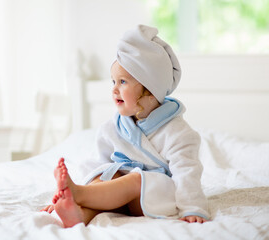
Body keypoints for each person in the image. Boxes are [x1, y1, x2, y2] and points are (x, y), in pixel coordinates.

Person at [41, 25, 210, 227]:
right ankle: (77, 212)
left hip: (155, 196)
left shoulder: (177, 132)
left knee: (134, 179)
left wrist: (192, 207)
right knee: (109, 175)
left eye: (123, 81)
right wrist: (90, 182)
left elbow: (186, 172)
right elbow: (99, 164)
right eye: (113, 81)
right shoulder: (112, 128)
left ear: (150, 90)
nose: (114, 89)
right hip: (118, 197)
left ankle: (78, 193)